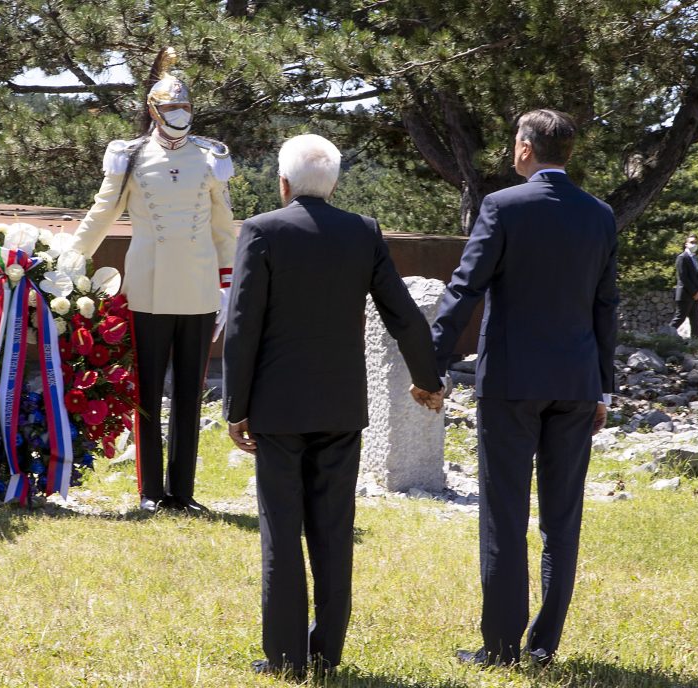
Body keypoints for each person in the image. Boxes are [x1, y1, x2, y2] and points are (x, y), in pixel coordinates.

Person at [224, 134, 443, 678]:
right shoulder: (363, 232)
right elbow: (404, 314)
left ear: (283, 183)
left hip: (277, 408)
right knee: (332, 531)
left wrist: (235, 405)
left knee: (282, 531)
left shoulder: (262, 231)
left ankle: (284, 657)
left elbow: (241, 326)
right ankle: (327, 652)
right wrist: (427, 379)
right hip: (342, 406)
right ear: (335, 183)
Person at [419, 109, 618, 666]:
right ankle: (545, 645)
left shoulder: (502, 207)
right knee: (563, 517)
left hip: (512, 381)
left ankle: (502, 647)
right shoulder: (600, 216)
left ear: (526, 149)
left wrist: (430, 362)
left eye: (514, 143)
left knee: (504, 512)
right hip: (577, 383)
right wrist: (604, 388)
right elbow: (606, 306)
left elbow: (465, 287)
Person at [72, 48, 236, 514]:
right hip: (147, 289)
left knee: (190, 392)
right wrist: (68, 260)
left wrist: (228, 284)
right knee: (146, 393)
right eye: (170, 108)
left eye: (185, 108)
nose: (179, 116)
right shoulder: (130, 155)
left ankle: (182, 491)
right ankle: (150, 491)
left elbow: (224, 227)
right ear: (153, 111)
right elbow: (102, 212)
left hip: (200, 290)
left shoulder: (210, 158)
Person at [670, 234, 698, 339]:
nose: (694, 244)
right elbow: (683, 278)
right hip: (685, 294)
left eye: (696, 242)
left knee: (695, 321)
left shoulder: (696, 258)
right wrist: (694, 292)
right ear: (686, 244)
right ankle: (664, 337)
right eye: (692, 242)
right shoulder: (682, 258)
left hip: (695, 296)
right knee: (680, 318)